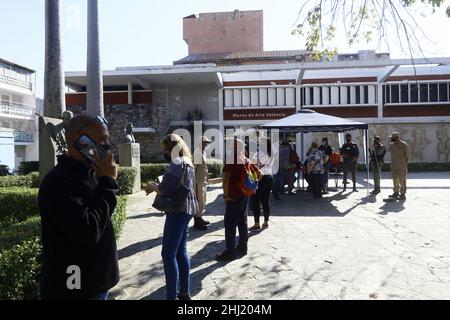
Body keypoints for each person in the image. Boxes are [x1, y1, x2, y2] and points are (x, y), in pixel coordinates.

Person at [38, 115, 119, 300]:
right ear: (81, 141)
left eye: (107, 139)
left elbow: (100, 213)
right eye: (102, 140)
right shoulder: (59, 181)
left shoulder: (91, 173)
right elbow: (88, 230)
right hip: (76, 287)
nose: (107, 145)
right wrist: (108, 183)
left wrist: (104, 180)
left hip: (96, 283)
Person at [145, 134, 197, 300]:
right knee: (181, 252)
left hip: (177, 210)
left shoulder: (177, 162)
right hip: (188, 209)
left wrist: (153, 186)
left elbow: (165, 189)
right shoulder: (188, 161)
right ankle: (184, 293)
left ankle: (171, 297)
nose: (164, 151)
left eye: (165, 149)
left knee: (168, 254)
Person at [217, 138, 259, 261]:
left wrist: (225, 195)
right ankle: (242, 248)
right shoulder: (246, 159)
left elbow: (226, 178)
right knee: (242, 222)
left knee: (230, 225)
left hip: (234, 196)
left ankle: (230, 252)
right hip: (245, 195)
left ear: (234, 147)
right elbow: (257, 174)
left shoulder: (232, 159)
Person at [249, 137, 274, 231]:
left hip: (260, 178)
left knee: (255, 200)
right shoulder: (271, 154)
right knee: (266, 201)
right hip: (269, 177)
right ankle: (266, 222)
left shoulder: (259, 154)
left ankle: (256, 223)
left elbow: (253, 165)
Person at [193, 136, 212, 230]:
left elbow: (204, 167)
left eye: (206, 143)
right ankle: (197, 221)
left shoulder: (203, 152)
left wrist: (207, 177)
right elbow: (193, 169)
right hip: (197, 182)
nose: (205, 144)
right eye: (204, 143)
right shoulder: (197, 153)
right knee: (198, 201)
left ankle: (200, 217)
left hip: (203, 181)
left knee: (203, 201)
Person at [388, 132, 411, 201]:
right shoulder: (391, 145)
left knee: (402, 180)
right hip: (394, 165)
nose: (391, 139)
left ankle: (402, 194)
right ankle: (396, 192)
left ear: (397, 138)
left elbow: (408, 156)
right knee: (395, 180)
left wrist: (404, 164)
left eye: (392, 137)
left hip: (402, 166)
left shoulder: (404, 145)